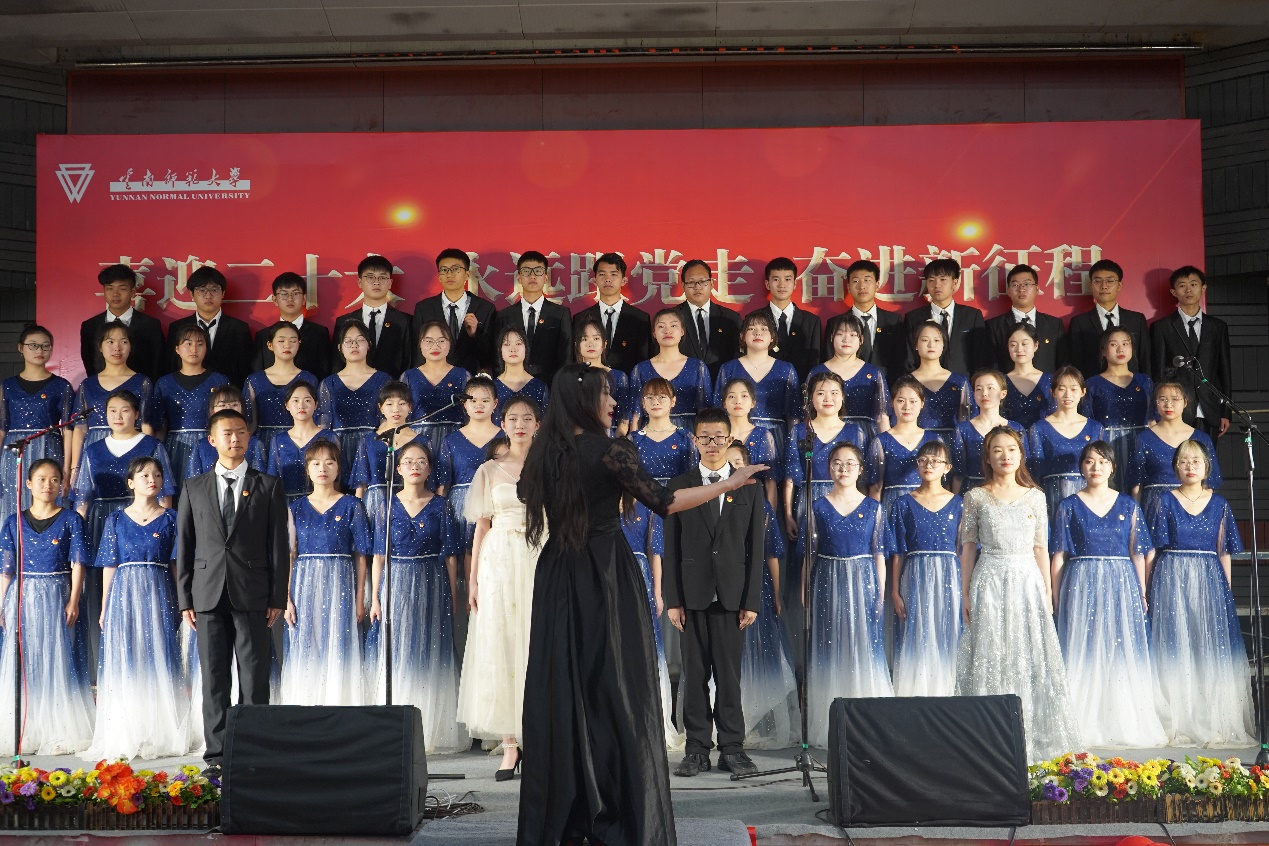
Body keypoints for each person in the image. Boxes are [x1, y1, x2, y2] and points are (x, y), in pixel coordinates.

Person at [516, 363, 765, 846]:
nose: (614, 402)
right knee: (617, 689)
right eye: (607, 394)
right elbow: (665, 501)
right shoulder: (613, 450)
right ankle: (619, 814)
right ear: (586, 400)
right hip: (606, 574)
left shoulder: (545, 452)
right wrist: (727, 484)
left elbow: (528, 494)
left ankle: (568, 816)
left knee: (563, 686)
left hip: (558, 574)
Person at [954, 426, 1081, 762]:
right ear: (987, 457)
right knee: (990, 653)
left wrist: (1047, 591)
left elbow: (1041, 548)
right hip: (990, 580)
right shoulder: (975, 497)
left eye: (1011, 449)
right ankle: (988, 738)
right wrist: (965, 593)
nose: (1005, 456)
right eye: (997, 450)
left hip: (1027, 581)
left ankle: (1030, 734)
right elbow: (968, 548)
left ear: (1021, 455)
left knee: (1029, 654)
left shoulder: (1035, 496)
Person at [175, 408, 290, 774]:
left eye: (241, 432)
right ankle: (217, 756)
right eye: (227, 433)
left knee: (255, 678)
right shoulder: (194, 487)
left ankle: (255, 754)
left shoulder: (268, 485)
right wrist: (185, 599)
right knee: (214, 679)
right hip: (206, 595)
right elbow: (184, 546)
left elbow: (278, 547)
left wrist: (277, 596)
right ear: (212, 440)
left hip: (253, 593)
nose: (235, 438)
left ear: (249, 437)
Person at [663, 408, 765, 778]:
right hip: (691, 594)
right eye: (704, 437)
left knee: (729, 677)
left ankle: (732, 748)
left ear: (730, 439)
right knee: (694, 675)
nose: (712, 444)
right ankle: (696, 749)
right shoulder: (680, 484)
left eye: (719, 437)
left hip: (732, 595)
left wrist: (750, 600)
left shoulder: (750, 487)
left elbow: (755, 547)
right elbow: (670, 546)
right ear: (694, 440)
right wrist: (673, 599)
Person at [1050, 441, 1165, 748]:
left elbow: (1138, 552)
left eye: (1102, 462)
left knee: (1119, 648)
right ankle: (1080, 723)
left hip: (1121, 582)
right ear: (1081, 467)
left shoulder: (1128, 505)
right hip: (1080, 582)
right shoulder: (1068, 505)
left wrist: (1141, 591)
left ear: (1113, 467)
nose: (1096, 467)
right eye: (1089, 461)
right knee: (1083, 648)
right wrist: (1056, 596)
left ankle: (1121, 721)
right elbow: (1058, 556)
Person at [456, 396, 543, 779]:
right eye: (513, 418)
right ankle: (510, 745)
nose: (520, 424)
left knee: (537, 643)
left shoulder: (550, 464)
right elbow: (481, 527)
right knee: (502, 644)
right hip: (499, 560)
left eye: (527, 418)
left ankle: (539, 739)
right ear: (502, 424)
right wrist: (473, 579)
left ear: (538, 424)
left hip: (541, 554)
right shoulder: (488, 470)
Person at [84, 455, 193, 761]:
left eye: (157, 475)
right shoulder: (115, 520)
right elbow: (109, 565)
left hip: (159, 592)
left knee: (159, 656)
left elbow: (177, 565)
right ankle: (128, 730)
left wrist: (184, 601)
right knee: (128, 658)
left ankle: (159, 731)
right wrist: (105, 606)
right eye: (144, 475)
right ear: (131, 482)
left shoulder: (171, 518)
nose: (152, 480)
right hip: (124, 595)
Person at [1146, 439, 1253, 746]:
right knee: (1176, 646)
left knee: (1208, 648)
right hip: (1171, 577)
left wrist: (1226, 590)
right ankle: (1178, 719)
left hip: (1209, 580)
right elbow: (1152, 549)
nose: (1190, 467)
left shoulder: (1220, 504)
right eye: (1183, 461)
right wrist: (1149, 588)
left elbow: (1224, 551)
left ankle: (1210, 717)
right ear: (1175, 468)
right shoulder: (1164, 500)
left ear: (1207, 467)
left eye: (1196, 461)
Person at [364, 442, 468, 752]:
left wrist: (452, 595)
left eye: (421, 461)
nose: (415, 466)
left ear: (429, 468)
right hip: (395, 582)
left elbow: (451, 556)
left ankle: (430, 728)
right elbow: (378, 557)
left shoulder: (442, 505)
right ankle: (392, 729)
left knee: (428, 648)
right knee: (397, 648)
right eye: (408, 461)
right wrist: (376, 597)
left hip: (431, 581)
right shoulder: (386, 505)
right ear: (398, 469)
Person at [0, 459, 93, 755]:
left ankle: (58, 729)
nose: (48, 485)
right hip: (23, 595)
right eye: (41, 479)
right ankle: (24, 729)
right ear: (28, 484)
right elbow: (6, 569)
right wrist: (2, 604)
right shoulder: (13, 521)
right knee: (24, 662)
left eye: (54, 479)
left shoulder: (71, 519)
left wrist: (73, 599)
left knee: (59, 659)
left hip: (57, 594)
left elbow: (78, 563)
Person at [806, 442, 892, 749]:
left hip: (863, 579)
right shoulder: (817, 506)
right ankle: (831, 722)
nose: (843, 469)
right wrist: (805, 588)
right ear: (829, 468)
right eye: (837, 463)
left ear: (860, 469)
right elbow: (810, 554)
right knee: (831, 645)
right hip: (827, 579)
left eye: (850, 464)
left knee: (863, 644)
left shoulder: (874, 508)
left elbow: (879, 553)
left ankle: (865, 723)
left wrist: (880, 593)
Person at [281, 439, 369, 706]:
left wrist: (360, 598)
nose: (323, 468)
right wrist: (286, 598)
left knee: (339, 643)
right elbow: (289, 555)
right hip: (304, 585)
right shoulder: (295, 508)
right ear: (307, 469)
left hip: (341, 583)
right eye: (316, 463)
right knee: (306, 643)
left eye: (330, 462)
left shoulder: (353, 505)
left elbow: (361, 555)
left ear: (338, 468)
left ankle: (338, 706)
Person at [726, 441, 797, 751]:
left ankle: (761, 719)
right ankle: (729, 720)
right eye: (727, 463)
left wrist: (777, 593)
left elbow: (771, 552)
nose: (733, 468)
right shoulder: (710, 496)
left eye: (738, 463)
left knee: (761, 645)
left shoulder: (760, 501)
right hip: (724, 581)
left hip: (757, 582)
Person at [888, 440, 963, 697]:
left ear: (947, 467)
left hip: (949, 575)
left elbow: (963, 550)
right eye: (923, 460)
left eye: (936, 461)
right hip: (915, 574)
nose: (929, 465)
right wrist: (895, 591)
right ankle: (916, 695)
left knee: (947, 630)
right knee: (917, 630)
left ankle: (949, 694)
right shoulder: (902, 504)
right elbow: (898, 552)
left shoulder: (960, 503)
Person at [619, 466, 684, 752]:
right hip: (609, 573)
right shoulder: (601, 502)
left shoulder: (647, 506)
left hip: (640, 575)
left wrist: (657, 593)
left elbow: (654, 551)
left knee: (644, 643)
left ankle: (647, 721)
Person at [434, 376, 501, 608]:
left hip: (494, 505)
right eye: (473, 400)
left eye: (485, 400)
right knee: (460, 557)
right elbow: (443, 485)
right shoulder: (451, 440)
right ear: (464, 404)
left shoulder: (505, 437)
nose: (479, 405)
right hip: (459, 507)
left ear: (495, 403)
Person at [1149, 265, 1232, 440]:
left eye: (1193, 284)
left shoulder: (1218, 327)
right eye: (1182, 285)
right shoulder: (1161, 328)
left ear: (1203, 288)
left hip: (1211, 409)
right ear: (1173, 292)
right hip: (1176, 410)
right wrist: (1157, 412)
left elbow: (1224, 371)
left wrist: (1226, 412)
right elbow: (1158, 373)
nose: (1188, 290)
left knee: (1207, 455)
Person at [1, 324, 74, 517]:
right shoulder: (7, 386)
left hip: (49, 449)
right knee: (13, 504)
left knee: (49, 504)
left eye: (45, 346)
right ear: (20, 348)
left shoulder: (62, 386)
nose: (39, 350)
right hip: (14, 452)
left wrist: (67, 469)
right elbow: (1, 428)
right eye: (33, 345)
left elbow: (68, 430)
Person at [69, 322, 155, 485]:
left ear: (130, 346)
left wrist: (148, 462)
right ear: (100, 347)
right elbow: (80, 428)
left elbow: (146, 424)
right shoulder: (87, 384)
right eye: (110, 342)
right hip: (94, 446)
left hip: (130, 445)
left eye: (123, 342)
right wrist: (75, 467)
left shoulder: (142, 382)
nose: (117, 348)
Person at [711, 311, 801, 465]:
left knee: (771, 478)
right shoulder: (728, 368)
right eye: (751, 329)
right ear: (742, 336)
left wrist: (793, 446)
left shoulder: (786, 369)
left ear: (772, 337)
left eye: (764, 329)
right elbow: (718, 410)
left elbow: (793, 414)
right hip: (736, 437)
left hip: (775, 436)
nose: (757, 333)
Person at [152, 324, 229, 494]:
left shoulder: (220, 381)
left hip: (211, 444)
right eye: (188, 343)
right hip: (175, 447)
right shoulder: (164, 383)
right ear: (177, 349)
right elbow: (160, 425)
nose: (194, 349)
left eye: (200, 344)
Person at [1130, 381, 1223, 517]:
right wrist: (1136, 519)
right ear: (1156, 403)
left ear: (1185, 402)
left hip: (1190, 506)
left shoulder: (1201, 438)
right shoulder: (1143, 438)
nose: (1169, 405)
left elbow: (1208, 484)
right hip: (1154, 507)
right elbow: (1136, 485)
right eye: (1163, 399)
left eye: (1175, 399)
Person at [1027, 366, 1107, 519]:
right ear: (1053, 392)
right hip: (1052, 496)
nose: (1068, 395)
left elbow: (1104, 469)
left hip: (1088, 496)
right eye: (1062, 389)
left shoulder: (1096, 428)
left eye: (1073, 389)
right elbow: (1035, 473)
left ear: (1083, 392)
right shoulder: (1039, 428)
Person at [318, 319, 392, 484]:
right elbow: (323, 425)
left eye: (360, 340)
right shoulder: (328, 383)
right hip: (338, 449)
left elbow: (387, 420)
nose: (354, 345)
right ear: (339, 347)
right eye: (348, 341)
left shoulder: (383, 380)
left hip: (372, 447)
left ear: (369, 345)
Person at [1082, 326, 1154, 491]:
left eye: (1126, 344)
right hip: (1108, 444)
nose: (1121, 349)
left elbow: (1153, 417)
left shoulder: (1144, 381)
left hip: (1141, 443)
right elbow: (1088, 420)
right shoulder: (1092, 383)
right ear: (1103, 351)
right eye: (1114, 344)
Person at [350, 380, 424, 539]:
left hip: (410, 503)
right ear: (380, 407)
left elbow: (427, 482)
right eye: (389, 404)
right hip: (375, 503)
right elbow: (361, 485)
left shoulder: (422, 441)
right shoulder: (368, 440)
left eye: (402, 403)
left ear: (410, 407)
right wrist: (358, 518)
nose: (396, 409)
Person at [810, 312, 890, 452]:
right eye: (840, 334)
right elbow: (809, 413)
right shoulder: (817, 372)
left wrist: (887, 448)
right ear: (831, 337)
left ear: (861, 339)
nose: (846, 339)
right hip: (826, 436)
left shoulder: (874, 373)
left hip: (865, 436)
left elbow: (882, 416)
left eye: (853, 335)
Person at [243, 321, 320, 464]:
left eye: (293, 341)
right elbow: (249, 422)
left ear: (299, 343)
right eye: (281, 341)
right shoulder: (254, 380)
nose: (287, 345)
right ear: (270, 345)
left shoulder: (309, 379)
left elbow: (316, 418)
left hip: (300, 442)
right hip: (263, 444)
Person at [411, 248, 497, 375]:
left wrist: (475, 335)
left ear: (467, 274)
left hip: (471, 379)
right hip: (434, 378)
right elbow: (417, 352)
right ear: (439, 276)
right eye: (444, 270)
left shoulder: (485, 309)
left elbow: (490, 355)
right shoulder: (424, 309)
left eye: (455, 269)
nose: (449, 274)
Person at [493, 251, 572, 386]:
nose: (532, 276)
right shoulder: (504, 316)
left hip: (550, 385)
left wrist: (561, 388)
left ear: (546, 277)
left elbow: (566, 356)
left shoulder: (560, 314)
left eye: (538, 271)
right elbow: (497, 358)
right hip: (512, 386)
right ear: (519, 277)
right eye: (526, 271)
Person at [164, 266, 253, 387]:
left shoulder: (239, 329)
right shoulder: (177, 328)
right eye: (202, 290)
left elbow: (245, 371)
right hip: (186, 392)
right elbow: (170, 367)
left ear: (223, 293)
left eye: (214, 290)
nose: (208, 296)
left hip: (227, 394)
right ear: (192, 294)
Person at [628, 308, 711, 433]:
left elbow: (704, 411)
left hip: (688, 433)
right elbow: (636, 413)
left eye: (673, 326)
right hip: (651, 433)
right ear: (654, 333)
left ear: (682, 331)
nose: (667, 331)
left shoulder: (697, 367)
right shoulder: (641, 369)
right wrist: (632, 440)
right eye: (661, 326)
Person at [867, 376, 941, 514]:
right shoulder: (881, 441)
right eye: (901, 401)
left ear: (922, 403)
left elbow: (942, 483)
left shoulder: (934, 439)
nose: (907, 407)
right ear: (892, 403)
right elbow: (875, 487)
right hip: (892, 506)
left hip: (927, 505)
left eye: (913, 401)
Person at [79, 263, 166, 382]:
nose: (115, 294)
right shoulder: (90, 326)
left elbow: (157, 365)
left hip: (141, 388)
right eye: (110, 288)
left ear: (133, 292)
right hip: (102, 389)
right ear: (104, 291)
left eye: (122, 289)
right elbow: (90, 364)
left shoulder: (150, 325)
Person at [1067, 259, 1151, 379]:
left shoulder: (1137, 320)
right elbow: (1076, 363)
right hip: (1093, 385)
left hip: (1132, 384)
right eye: (1097, 281)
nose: (1104, 286)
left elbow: (1145, 358)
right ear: (1091, 286)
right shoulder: (1079, 323)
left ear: (1119, 285)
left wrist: (1146, 386)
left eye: (1110, 281)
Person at [824, 259, 904, 383]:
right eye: (855, 281)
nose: (862, 286)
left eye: (867, 280)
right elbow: (829, 360)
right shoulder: (835, 323)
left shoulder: (894, 321)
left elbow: (900, 361)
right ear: (849, 287)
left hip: (886, 386)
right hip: (846, 387)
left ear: (877, 284)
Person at [903, 258, 987, 375]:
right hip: (924, 382)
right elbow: (909, 358)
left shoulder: (972, 316)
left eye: (943, 279)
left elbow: (981, 356)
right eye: (931, 280)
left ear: (955, 283)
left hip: (964, 382)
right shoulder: (913, 318)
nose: (937, 285)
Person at [333, 255, 413, 378]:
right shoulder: (343, 322)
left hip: (393, 387)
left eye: (382, 277)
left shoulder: (404, 321)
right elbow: (337, 363)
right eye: (370, 277)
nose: (376, 282)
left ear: (390, 283)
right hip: (354, 386)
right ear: (359, 282)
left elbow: (409, 361)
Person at [571, 252, 651, 374]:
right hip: (590, 381)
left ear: (624, 280)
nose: (608, 279)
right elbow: (575, 358)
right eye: (602, 274)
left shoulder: (640, 318)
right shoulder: (581, 318)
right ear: (595, 280)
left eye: (614, 274)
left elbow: (643, 361)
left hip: (627, 382)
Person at [952, 370, 1026, 495]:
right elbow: (958, 473)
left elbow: (1023, 467)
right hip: (972, 490)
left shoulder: (1016, 428)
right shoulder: (962, 429)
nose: (984, 393)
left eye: (990, 388)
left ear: (1003, 393)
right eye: (978, 389)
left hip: (1008, 492)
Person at [401, 321, 469, 456]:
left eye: (441, 341)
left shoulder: (463, 375)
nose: (435, 346)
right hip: (418, 441)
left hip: (455, 439)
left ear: (450, 343)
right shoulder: (408, 377)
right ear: (420, 344)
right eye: (429, 341)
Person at [985, 264, 1067, 373]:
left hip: (1047, 383)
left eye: (1027, 284)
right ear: (1008, 291)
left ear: (1037, 289)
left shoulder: (1054, 325)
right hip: (1007, 383)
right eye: (1015, 285)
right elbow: (992, 367)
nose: (1021, 289)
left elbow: (1063, 364)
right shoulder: (994, 326)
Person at [251, 271, 332, 381]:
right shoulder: (263, 336)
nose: (290, 299)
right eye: (284, 294)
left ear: (304, 299)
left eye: (296, 293)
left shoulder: (319, 333)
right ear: (275, 300)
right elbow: (257, 375)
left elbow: (325, 373)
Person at [266, 381, 335, 504]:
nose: (301, 406)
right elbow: (272, 479)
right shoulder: (278, 440)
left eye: (307, 400)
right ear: (287, 405)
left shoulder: (329, 437)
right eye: (296, 401)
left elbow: (337, 478)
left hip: (322, 503)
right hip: (286, 504)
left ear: (316, 404)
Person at [675, 258, 742, 381]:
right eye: (691, 282)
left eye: (702, 281)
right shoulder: (672, 318)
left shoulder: (730, 318)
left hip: (722, 386)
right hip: (682, 386)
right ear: (683, 285)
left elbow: (737, 359)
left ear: (712, 283)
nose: (697, 287)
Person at [720, 377, 780, 510]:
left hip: (755, 504)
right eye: (731, 396)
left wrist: (769, 516)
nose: (738, 401)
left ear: (753, 403)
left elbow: (770, 482)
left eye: (744, 396)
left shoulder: (763, 435)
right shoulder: (717, 436)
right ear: (724, 403)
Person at [908, 320, 971, 442]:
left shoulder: (959, 381)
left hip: (954, 443)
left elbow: (970, 419)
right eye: (925, 340)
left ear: (943, 345)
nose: (931, 345)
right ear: (916, 345)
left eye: (936, 340)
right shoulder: (907, 382)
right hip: (917, 443)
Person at [184, 384, 267, 477]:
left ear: (242, 408)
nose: (228, 408)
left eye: (234, 404)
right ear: (212, 410)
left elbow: (261, 479)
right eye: (222, 405)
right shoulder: (201, 445)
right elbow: (194, 480)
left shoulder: (254, 443)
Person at [573, 316, 629, 437]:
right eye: (585, 339)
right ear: (577, 344)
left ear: (605, 344)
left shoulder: (618, 376)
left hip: (610, 437)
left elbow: (623, 420)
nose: (591, 344)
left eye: (596, 338)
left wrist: (617, 443)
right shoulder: (569, 376)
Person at [492, 325, 550, 427]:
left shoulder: (540, 387)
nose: (513, 349)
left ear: (526, 349)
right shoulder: (491, 387)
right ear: (499, 350)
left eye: (518, 343)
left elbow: (545, 426)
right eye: (507, 344)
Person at [1000, 323, 1053, 429]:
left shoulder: (1051, 380)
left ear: (1036, 345)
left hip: (1045, 437)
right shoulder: (1000, 381)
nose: (1019, 349)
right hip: (1010, 437)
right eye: (1013, 345)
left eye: (1024, 344)